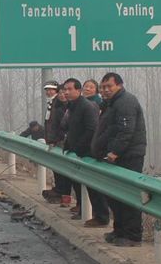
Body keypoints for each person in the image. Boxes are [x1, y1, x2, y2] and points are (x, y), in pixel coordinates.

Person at [90, 72, 147, 246]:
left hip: (128, 156)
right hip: (113, 157)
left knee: (128, 196)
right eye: (103, 87)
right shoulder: (111, 103)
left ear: (119, 85)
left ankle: (132, 235)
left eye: (109, 86)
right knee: (115, 196)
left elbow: (126, 131)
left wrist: (115, 152)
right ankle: (119, 230)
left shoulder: (126, 102)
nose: (105, 90)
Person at [61, 78, 109, 228]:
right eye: (65, 89)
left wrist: (79, 147)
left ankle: (102, 216)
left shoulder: (87, 106)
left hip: (89, 152)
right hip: (79, 151)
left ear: (78, 90)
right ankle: (91, 212)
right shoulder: (72, 106)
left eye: (70, 89)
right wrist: (68, 145)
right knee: (85, 184)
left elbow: (91, 130)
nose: (66, 92)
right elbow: (70, 129)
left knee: (94, 185)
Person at [42, 81, 69, 203]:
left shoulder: (63, 105)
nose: (49, 92)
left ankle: (63, 193)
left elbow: (61, 125)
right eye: (47, 89)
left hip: (60, 141)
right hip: (53, 141)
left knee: (62, 169)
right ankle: (60, 191)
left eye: (52, 89)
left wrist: (55, 139)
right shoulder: (52, 104)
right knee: (57, 168)